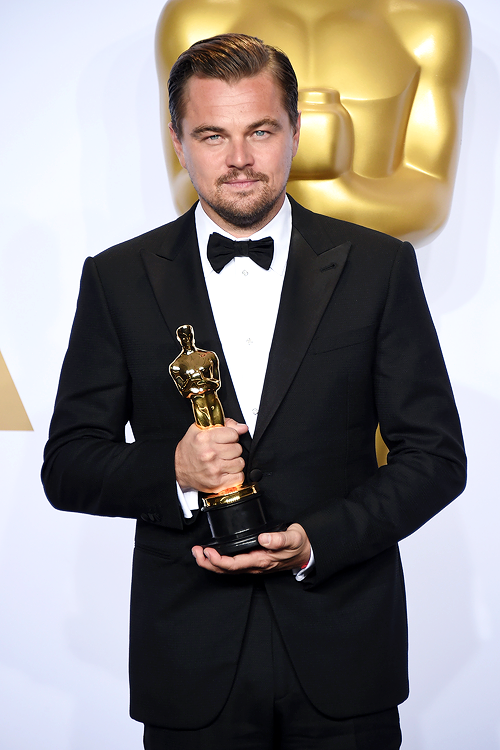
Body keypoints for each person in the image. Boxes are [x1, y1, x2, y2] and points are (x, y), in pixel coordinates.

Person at [42, 34, 466, 749]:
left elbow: (436, 458)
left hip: (344, 652)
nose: (238, 158)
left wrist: (316, 542)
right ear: (178, 141)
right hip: (189, 663)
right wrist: (174, 470)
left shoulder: (379, 266)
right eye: (213, 134)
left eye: (260, 131)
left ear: (295, 131)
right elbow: (68, 464)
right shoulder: (116, 278)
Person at [156, 0, 471, 243]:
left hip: (366, 283)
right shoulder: (195, 17)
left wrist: (340, 181)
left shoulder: (428, 22)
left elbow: (430, 203)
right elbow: (186, 188)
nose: (239, 157)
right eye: (215, 136)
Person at [169, 324, 225, 428]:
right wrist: (191, 381)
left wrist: (203, 380)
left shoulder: (209, 356)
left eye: (189, 336)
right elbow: (184, 392)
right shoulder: (176, 366)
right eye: (184, 337)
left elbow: (217, 382)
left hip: (213, 401)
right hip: (198, 404)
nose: (187, 339)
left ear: (193, 335)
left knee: (220, 428)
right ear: (179, 339)